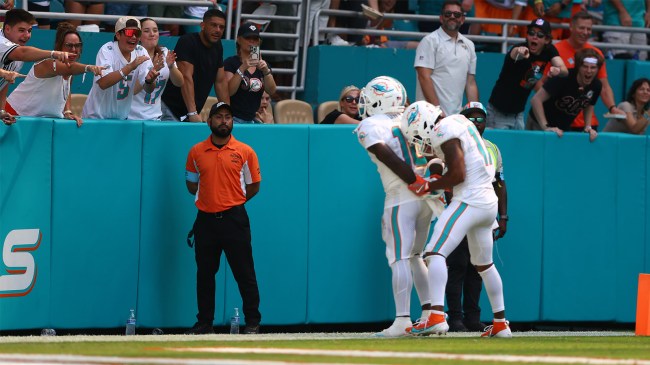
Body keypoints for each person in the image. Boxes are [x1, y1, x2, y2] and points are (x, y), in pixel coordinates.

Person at [402, 100, 511, 338]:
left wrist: (429, 185)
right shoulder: (460, 124)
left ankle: (437, 317)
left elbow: (458, 173)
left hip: (470, 200)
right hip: (487, 203)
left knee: (434, 252)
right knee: (484, 265)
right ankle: (501, 323)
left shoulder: (446, 127)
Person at [354, 76, 437, 337]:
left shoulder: (372, 124)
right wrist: (425, 182)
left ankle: (403, 320)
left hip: (403, 194)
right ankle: (431, 316)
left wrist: (413, 182)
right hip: (426, 197)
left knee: (399, 256)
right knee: (416, 256)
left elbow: (382, 151)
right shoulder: (410, 116)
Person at [184, 101, 262, 335]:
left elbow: (254, 186)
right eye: (219, 117)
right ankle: (204, 322)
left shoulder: (245, 151)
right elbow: (191, 184)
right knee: (205, 275)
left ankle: (252, 321)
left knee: (244, 273)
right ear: (210, 122)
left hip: (234, 219)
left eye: (228, 117)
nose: (224, 121)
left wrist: (232, 201)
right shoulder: (196, 151)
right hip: (205, 220)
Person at [445, 101, 509, 332]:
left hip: (484, 212)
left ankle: (473, 317)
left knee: (478, 268)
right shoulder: (452, 145)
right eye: (469, 118)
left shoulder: (492, 148)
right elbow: (448, 181)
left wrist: (503, 217)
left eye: (479, 119)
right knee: (456, 265)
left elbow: (500, 183)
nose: (475, 123)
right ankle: (454, 318)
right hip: (461, 210)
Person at [5, 22, 105, 127]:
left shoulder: (69, 71)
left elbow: (66, 90)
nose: (74, 50)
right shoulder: (48, 63)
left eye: (77, 45)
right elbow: (69, 69)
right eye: (69, 46)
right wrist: (88, 67)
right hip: (13, 115)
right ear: (59, 46)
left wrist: (67, 112)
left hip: (34, 122)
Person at [543, 11, 623, 131]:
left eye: (588, 29)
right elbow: (542, 84)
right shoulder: (556, 50)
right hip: (557, 122)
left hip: (586, 125)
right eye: (581, 28)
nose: (585, 32)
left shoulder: (596, 53)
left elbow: (604, 87)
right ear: (571, 27)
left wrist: (612, 107)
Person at [487, 18, 567, 130]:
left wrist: (558, 70)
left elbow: (564, 71)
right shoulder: (518, 49)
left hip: (518, 114)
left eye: (540, 35)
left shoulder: (549, 51)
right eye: (531, 33)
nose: (535, 37)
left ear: (547, 40)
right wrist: (519, 51)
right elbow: (515, 53)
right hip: (499, 113)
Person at [0, 9, 77, 122]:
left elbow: (3, 85)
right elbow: (23, 53)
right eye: (21, 30)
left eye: (29, 31)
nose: (27, 35)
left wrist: (1, 111)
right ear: (7, 28)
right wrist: (53, 54)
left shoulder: (17, 50)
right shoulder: (5, 44)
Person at [82, 17, 158, 120]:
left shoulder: (141, 51)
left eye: (137, 33)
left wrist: (150, 81)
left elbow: (149, 89)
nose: (134, 37)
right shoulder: (107, 50)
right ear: (118, 35)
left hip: (122, 119)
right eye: (130, 32)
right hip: (97, 117)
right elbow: (103, 83)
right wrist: (130, 67)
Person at [161, 8, 230, 122]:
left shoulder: (218, 46)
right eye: (213, 25)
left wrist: (227, 113)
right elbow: (186, 77)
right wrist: (192, 112)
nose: (218, 30)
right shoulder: (188, 41)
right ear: (202, 25)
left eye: (221, 27)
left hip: (189, 114)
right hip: (170, 110)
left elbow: (220, 81)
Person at [414, 0, 479, 117]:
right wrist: (437, 111)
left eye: (457, 14)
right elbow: (424, 77)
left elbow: (470, 83)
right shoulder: (429, 41)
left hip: (455, 118)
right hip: (429, 117)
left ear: (463, 19)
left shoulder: (469, 45)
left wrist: (476, 113)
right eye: (448, 14)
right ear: (441, 18)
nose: (452, 17)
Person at [528, 48, 602, 142]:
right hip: (538, 123)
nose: (589, 71)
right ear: (578, 67)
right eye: (585, 66)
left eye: (593, 67)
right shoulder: (564, 78)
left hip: (563, 128)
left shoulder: (596, 85)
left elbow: (589, 105)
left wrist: (588, 127)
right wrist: (546, 127)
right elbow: (535, 100)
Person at [128, 18, 183, 121]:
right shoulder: (132, 56)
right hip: (131, 117)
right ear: (138, 36)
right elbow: (132, 91)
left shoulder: (165, 52)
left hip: (155, 117)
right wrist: (152, 69)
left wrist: (171, 67)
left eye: (155, 30)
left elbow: (179, 83)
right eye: (146, 31)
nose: (152, 34)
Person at [224, 22, 277, 124]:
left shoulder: (263, 65)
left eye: (255, 38)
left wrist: (266, 71)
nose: (252, 41)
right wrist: (243, 67)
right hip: (233, 118)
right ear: (239, 40)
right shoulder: (231, 63)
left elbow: (271, 91)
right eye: (248, 38)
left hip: (251, 119)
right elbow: (228, 92)